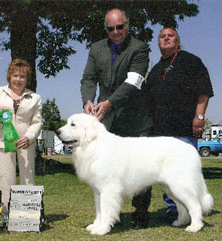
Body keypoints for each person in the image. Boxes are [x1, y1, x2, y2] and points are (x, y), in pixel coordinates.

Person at [80, 8, 153, 229]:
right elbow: (88, 78)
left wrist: (110, 102)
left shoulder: (139, 48)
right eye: (111, 28)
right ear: (106, 29)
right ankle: (110, 215)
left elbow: (133, 83)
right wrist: (87, 100)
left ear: (127, 25)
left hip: (135, 117)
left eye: (120, 27)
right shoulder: (96, 48)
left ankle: (140, 213)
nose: (116, 32)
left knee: (140, 168)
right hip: (106, 120)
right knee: (106, 171)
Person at [145, 27, 214, 216]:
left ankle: (193, 210)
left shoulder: (192, 61)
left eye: (170, 36)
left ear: (178, 40)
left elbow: (204, 91)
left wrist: (199, 117)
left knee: (184, 175)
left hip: (184, 129)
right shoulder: (155, 68)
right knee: (167, 177)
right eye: (162, 37)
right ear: (158, 42)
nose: (166, 39)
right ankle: (175, 210)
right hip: (160, 133)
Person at [0, 58, 42, 222]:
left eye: (22, 77)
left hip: (25, 143)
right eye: (15, 75)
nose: (18, 80)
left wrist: (29, 137)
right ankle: (7, 216)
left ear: (27, 79)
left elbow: (37, 122)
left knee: (28, 179)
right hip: (2, 142)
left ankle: (26, 218)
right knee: (6, 179)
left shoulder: (35, 97)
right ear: (9, 76)